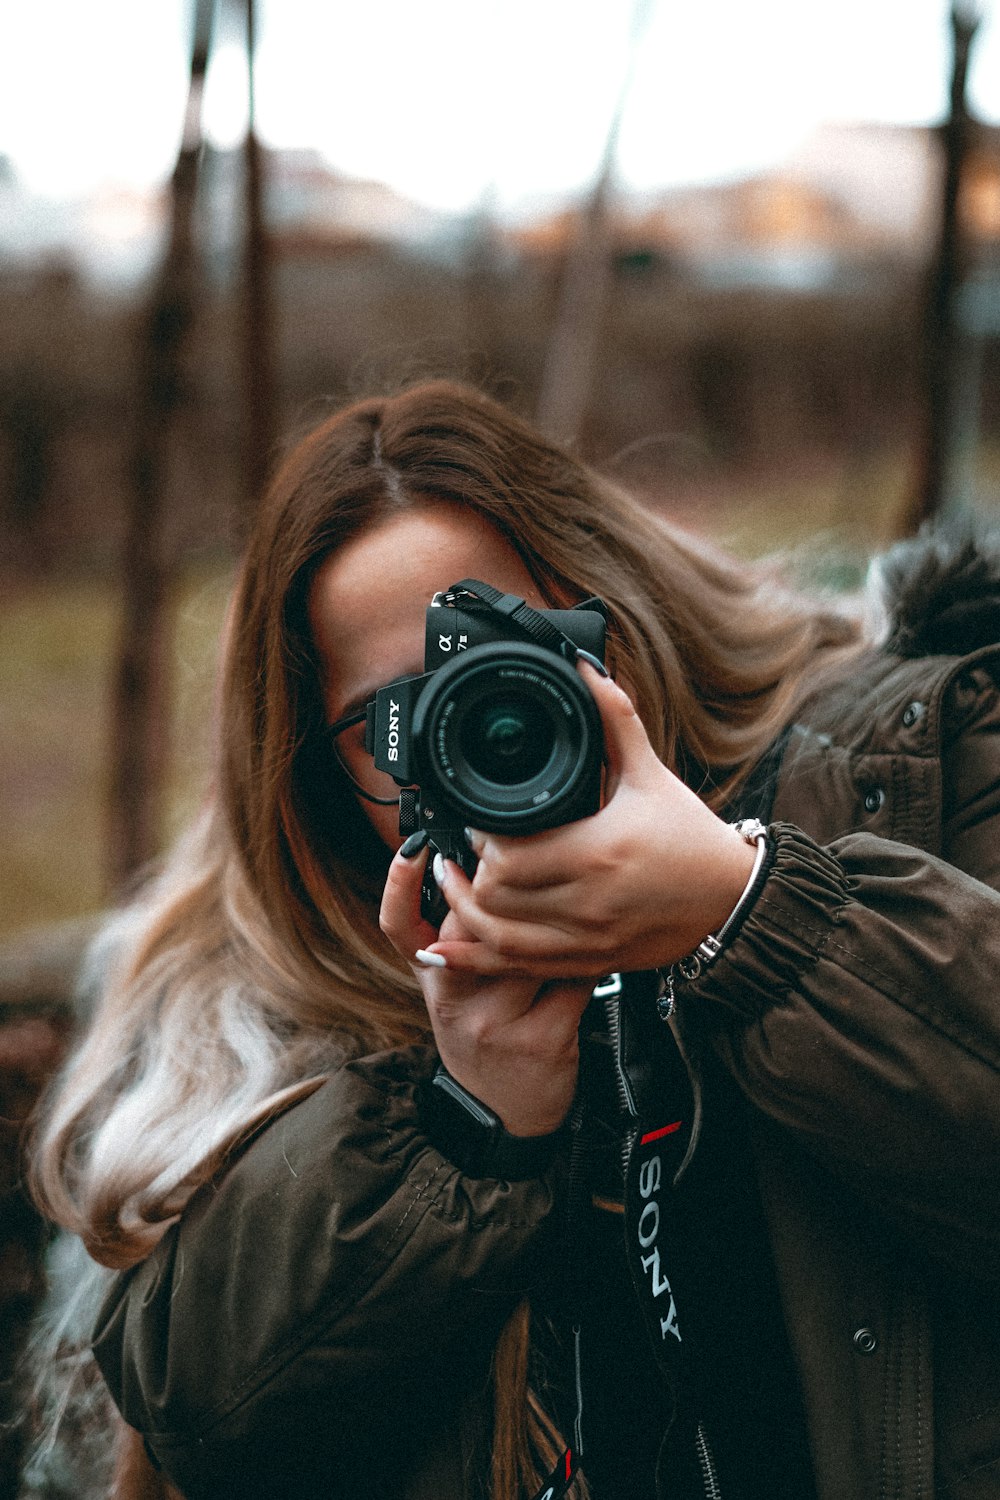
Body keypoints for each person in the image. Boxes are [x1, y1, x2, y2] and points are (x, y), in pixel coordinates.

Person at [27, 379, 1000, 1500]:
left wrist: (749, 914)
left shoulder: (910, 764)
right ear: (322, 778)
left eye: (507, 660)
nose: (478, 728)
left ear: (614, 617)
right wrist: (469, 1125)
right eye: (396, 722)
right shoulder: (283, 993)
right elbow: (208, 1425)